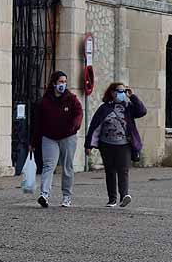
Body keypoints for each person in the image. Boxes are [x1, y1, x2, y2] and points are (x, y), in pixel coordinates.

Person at [84, 82, 146, 208]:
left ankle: (124, 196)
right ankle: (112, 199)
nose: (121, 93)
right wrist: (88, 145)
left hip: (124, 144)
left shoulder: (128, 107)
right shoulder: (104, 108)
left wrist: (132, 96)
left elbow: (142, 111)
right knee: (110, 171)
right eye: (119, 91)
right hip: (106, 145)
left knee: (123, 170)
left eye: (124, 91)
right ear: (112, 93)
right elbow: (94, 126)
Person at [30, 70, 83, 208]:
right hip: (49, 137)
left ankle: (66, 196)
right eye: (60, 82)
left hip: (68, 136)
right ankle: (44, 194)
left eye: (65, 82)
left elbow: (78, 113)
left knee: (67, 167)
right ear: (54, 83)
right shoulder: (45, 102)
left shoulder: (72, 99)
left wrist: (75, 125)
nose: (63, 84)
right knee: (49, 165)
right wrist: (34, 142)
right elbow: (38, 123)